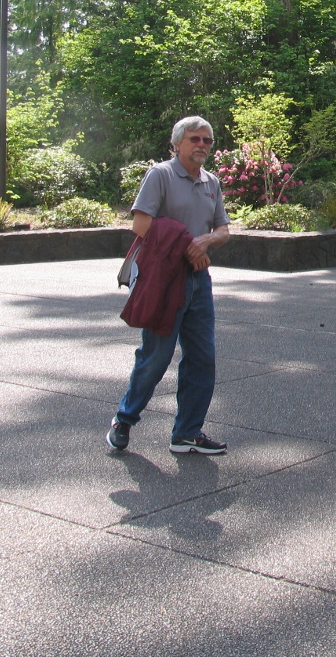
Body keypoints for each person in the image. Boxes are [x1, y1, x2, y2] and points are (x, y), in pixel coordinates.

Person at [107, 116, 232, 455]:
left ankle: (187, 433)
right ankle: (124, 419)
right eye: (194, 139)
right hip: (164, 281)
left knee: (202, 358)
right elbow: (141, 223)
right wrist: (186, 248)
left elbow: (223, 229)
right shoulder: (160, 175)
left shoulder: (212, 182)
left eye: (207, 140)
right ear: (177, 144)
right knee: (156, 357)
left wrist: (204, 242)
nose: (202, 145)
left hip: (198, 282)